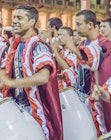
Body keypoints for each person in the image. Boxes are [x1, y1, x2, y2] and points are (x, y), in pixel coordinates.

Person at [0, 5, 63, 140]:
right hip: (18, 110)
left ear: (32, 22)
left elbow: (43, 76)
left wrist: (13, 83)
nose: (15, 21)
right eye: (14, 17)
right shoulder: (16, 46)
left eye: (19, 18)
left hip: (34, 111)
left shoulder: (38, 45)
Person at [65, 9, 111, 136]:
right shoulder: (84, 43)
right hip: (89, 96)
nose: (76, 28)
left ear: (90, 25)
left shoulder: (104, 43)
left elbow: (92, 61)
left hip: (104, 98)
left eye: (78, 24)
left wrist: (72, 48)